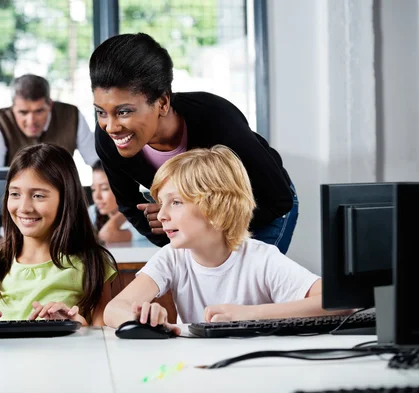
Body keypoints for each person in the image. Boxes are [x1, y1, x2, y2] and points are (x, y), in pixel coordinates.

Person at [90, 33, 298, 254]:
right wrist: (171, 237)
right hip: (203, 222)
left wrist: (189, 217)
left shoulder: (218, 121)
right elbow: (129, 204)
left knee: (243, 286)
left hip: (263, 207)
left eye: (124, 111)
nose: (111, 127)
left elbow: (278, 199)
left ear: (162, 103)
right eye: (101, 112)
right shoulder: (108, 139)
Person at [103, 146, 344, 333]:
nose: (162, 215)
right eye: (161, 203)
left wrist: (248, 315)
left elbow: (339, 302)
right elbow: (114, 309)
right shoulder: (172, 258)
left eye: (175, 202)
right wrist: (143, 320)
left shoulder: (260, 259)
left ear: (215, 208)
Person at [0, 143, 117, 325]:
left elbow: (103, 341)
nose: (24, 208)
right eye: (15, 194)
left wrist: (78, 327)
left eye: (38, 196)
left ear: (66, 200)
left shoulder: (93, 263)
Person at [0, 74, 99, 168]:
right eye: (23, 112)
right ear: (12, 107)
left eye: (39, 111)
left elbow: (97, 161)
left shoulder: (71, 115)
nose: (31, 121)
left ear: (50, 105)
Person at [89, 160, 143, 243]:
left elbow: (106, 235)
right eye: (93, 189)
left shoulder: (142, 222)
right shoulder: (92, 212)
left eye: (104, 188)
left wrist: (127, 210)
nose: (97, 197)